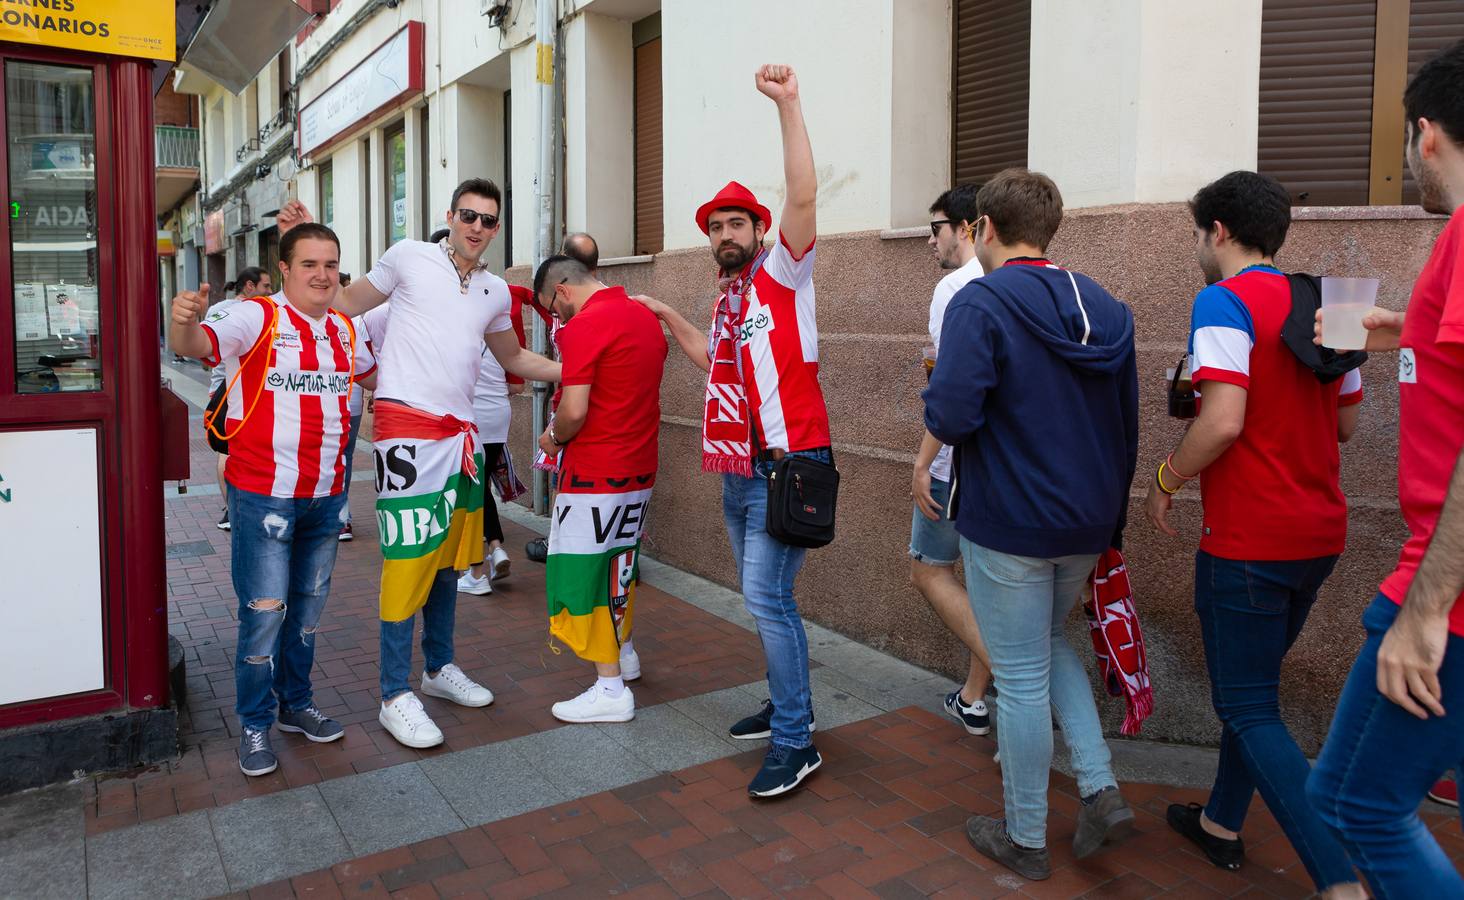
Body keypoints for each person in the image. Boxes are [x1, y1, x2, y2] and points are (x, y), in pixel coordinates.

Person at [276, 178, 562, 750]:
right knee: (408, 561)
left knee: (450, 562)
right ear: (450, 215)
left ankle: (437, 669)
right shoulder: (409, 257)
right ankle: (392, 694)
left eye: (488, 220)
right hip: (406, 430)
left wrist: (580, 372)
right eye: (469, 216)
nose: (477, 227)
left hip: (462, 439)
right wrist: (302, 251)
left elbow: (515, 357)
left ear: (496, 228)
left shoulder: (495, 293)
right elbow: (342, 303)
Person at [1142, 171, 1365, 898]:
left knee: (1246, 706)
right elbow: (1346, 422)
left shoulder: (1222, 300)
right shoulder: (1330, 299)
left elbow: (1223, 420)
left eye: (1196, 235)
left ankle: (1339, 878)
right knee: (1255, 692)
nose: (1198, 249)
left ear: (1219, 232)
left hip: (1249, 539)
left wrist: (1167, 479)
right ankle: (1221, 822)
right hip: (1319, 533)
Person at [922, 168, 1138, 881]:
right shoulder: (1107, 305)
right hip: (1087, 519)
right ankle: (1101, 788)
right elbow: (1128, 428)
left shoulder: (980, 302)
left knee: (1016, 677)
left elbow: (952, 416)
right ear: (1049, 229)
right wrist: (1112, 529)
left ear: (983, 226)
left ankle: (1025, 836)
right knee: (1044, 644)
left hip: (1011, 518)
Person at [636, 65, 830, 798]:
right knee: (766, 601)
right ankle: (787, 705)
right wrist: (666, 315)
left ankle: (796, 740)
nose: (725, 234)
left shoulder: (785, 277)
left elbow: (805, 193)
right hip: (740, 472)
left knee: (768, 600)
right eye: (716, 226)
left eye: (736, 223)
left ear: (759, 232)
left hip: (788, 463)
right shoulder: (728, 303)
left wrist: (788, 102)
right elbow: (713, 363)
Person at [1306, 40, 1464, 896]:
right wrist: (1399, 325)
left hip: (1447, 587)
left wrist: (1425, 610)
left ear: (1426, 133)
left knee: (1353, 802)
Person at [168, 224, 375, 776]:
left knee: (305, 615)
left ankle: (295, 705)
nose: (323, 275)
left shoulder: (346, 331)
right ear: (284, 268)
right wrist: (181, 321)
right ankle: (255, 725)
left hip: (326, 499)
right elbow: (191, 347)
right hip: (263, 498)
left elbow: (381, 379)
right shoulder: (255, 317)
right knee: (264, 615)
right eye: (309, 264)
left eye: (331, 264)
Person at [531, 255, 666, 721]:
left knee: (580, 574)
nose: (556, 318)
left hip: (594, 470)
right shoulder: (643, 317)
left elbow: (573, 411)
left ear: (562, 290)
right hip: (639, 465)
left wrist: (551, 438)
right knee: (620, 566)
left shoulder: (585, 326)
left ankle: (609, 687)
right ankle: (624, 654)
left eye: (552, 307)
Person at [911, 184, 993, 736]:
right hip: (1000, 467)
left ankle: (1017, 672)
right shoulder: (1007, 282)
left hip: (953, 463)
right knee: (986, 588)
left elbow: (949, 385)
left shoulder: (954, 287)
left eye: (936, 226)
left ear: (967, 227)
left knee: (929, 568)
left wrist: (924, 462)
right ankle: (973, 697)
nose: (932, 239)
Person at [523, 231, 599, 565]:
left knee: (566, 474)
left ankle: (563, 541)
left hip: (575, 402)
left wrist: (554, 433)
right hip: (579, 400)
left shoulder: (578, 311)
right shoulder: (603, 300)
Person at [208, 266, 271, 532]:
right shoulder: (231, 311)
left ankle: (234, 509)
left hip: (240, 390)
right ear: (249, 286)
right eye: (266, 286)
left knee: (236, 452)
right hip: (230, 391)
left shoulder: (255, 311)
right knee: (228, 451)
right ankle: (232, 509)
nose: (270, 292)